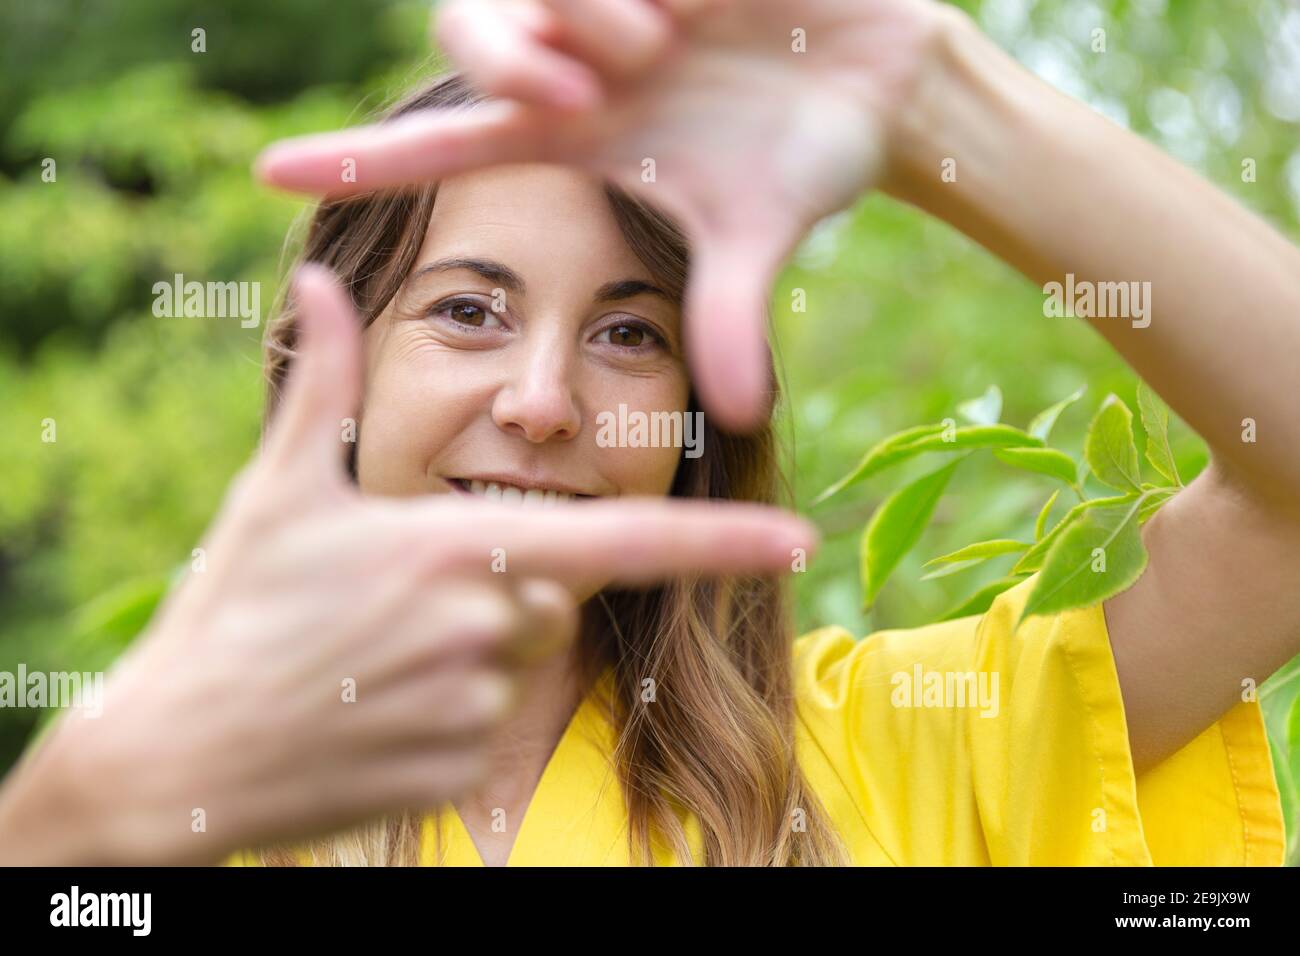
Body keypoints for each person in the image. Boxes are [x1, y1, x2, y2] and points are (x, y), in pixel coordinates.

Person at [3, 0, 1296, 866]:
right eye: (468, 312)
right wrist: (71, 819)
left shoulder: (886, 750)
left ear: (697, 420)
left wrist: (940, 102)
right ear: (330, 376)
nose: (543, 400)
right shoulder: (169, 805)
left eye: (630, 333)